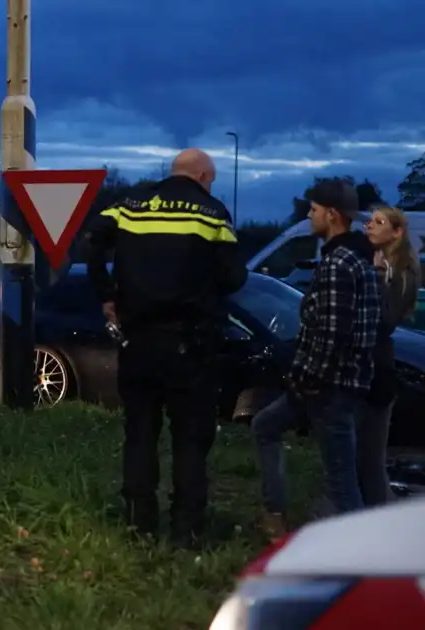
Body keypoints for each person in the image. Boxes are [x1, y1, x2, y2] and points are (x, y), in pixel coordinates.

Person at [86, 148, 247, 547]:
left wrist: (109, 294)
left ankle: (139, 525)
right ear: (204, 175)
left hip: (137, 341)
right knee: (190, 438)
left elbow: (91, 245)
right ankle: (186, 530)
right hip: (189, 343)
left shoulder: (129, 206)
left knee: (140, 433)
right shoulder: (211, 213)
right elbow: (235, 277)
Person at [251, 178, 381, 539]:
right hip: (329, 383)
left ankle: (356, 556)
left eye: (313, 210)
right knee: (265, 426)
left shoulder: (341, 262)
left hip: (328, 386)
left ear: (332, 214)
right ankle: (275, 516)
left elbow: (332, 333)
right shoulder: (353, 257)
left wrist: (307, 381)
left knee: (341, 478)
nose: (309, 216)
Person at [358, 206, 421, 507]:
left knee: (370, 460)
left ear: (397, 232)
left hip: (378, 371)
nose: (370, 225)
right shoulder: (375, 263)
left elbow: (386, 320)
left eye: (379, 222)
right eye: (370, 220)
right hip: (363, 367)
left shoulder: (402, 272)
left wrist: (377, 274)